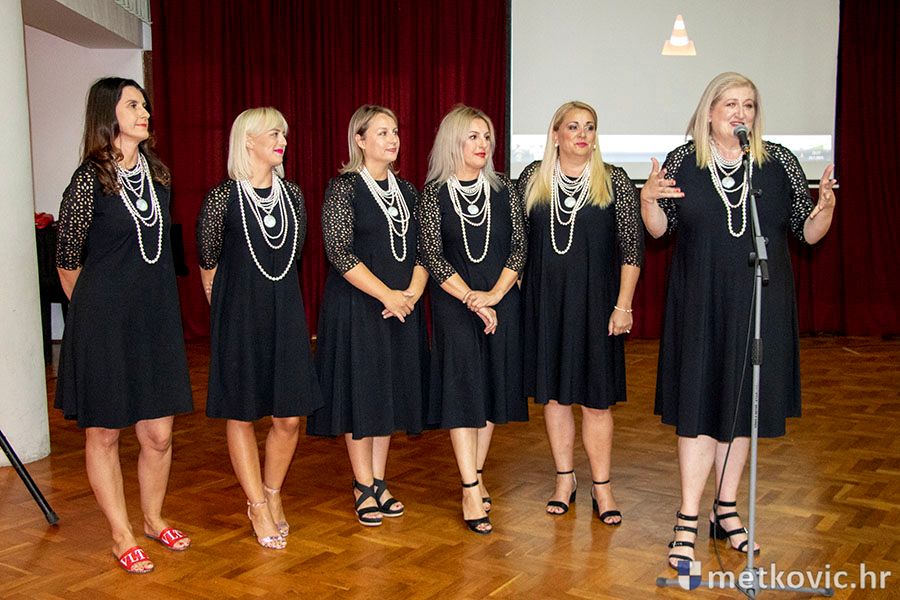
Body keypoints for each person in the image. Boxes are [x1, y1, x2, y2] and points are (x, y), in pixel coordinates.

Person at [640, 72, 837, 569]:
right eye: (729, 104)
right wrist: (647, 201)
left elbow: (808, 233)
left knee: (743, 404)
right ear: (709, 112)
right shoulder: (684, 161)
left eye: (748, 105)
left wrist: (824, 209)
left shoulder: (779, 164)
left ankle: (725, 509)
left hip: (759, 303)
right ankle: (688, 517)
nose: (740, 112)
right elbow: (659, 231)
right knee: (699, 406)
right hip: (700, 302)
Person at [55, 77, 194, 574]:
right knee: (105, 434)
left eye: (145, 104)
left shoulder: (158, 176)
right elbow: (67, 261)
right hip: (104, 324)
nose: (145, 112)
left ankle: (153, 519)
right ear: (107, 114)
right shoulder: (88, 180)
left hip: (155, 320)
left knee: (159, 434)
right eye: (133, 105)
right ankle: (120, 534)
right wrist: (97, 315)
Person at [197, 107, 321, 550]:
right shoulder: (222, 198)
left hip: (285, 314)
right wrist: (227, 311)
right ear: (247, 140)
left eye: (283, 133)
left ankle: (272, 492)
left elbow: (294, 255)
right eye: (273, 133)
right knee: (243, 413)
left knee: (289, 418)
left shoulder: (293, 195)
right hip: (238, 315)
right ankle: (256, 505)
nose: (282, 140)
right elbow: (208, 263)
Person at [517, 101, 643, 525]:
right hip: (545, 305)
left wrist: (623, 305)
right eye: (573, 127)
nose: (582, 134)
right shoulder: (532, 178)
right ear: (555, 134)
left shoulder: (614, 180)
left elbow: (632, 249)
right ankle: (564, 480)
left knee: (596, 402)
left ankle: (602, 487)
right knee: (555, 398)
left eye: (589, 127)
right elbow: (517, 248)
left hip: (598, 307)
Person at [306, 105, 429, 527]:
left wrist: (410, 294)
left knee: (387, 395)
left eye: (395, 131)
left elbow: (424, 250)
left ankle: (379, 479)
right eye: (382, 132)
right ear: (359, 140)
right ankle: (362, 484)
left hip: (400, 308)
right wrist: (387, 295)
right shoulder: (344, 188)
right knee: (361, 395)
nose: (393, 139)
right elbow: (339, 252)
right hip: (358, 307)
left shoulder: (408, 191)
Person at [419, 105, 528, 534]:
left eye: (487, 137)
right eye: (473, 137)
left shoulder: (505, 190)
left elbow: (519, 248)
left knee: (490, 391)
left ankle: (477, 474)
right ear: (453, 142)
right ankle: (468, 487)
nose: (483, 144)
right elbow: (431, 254)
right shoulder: (433, 194)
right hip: (454, 304)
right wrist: (471, 299)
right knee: (464, 392)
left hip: (501, 301)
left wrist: (495, 296)